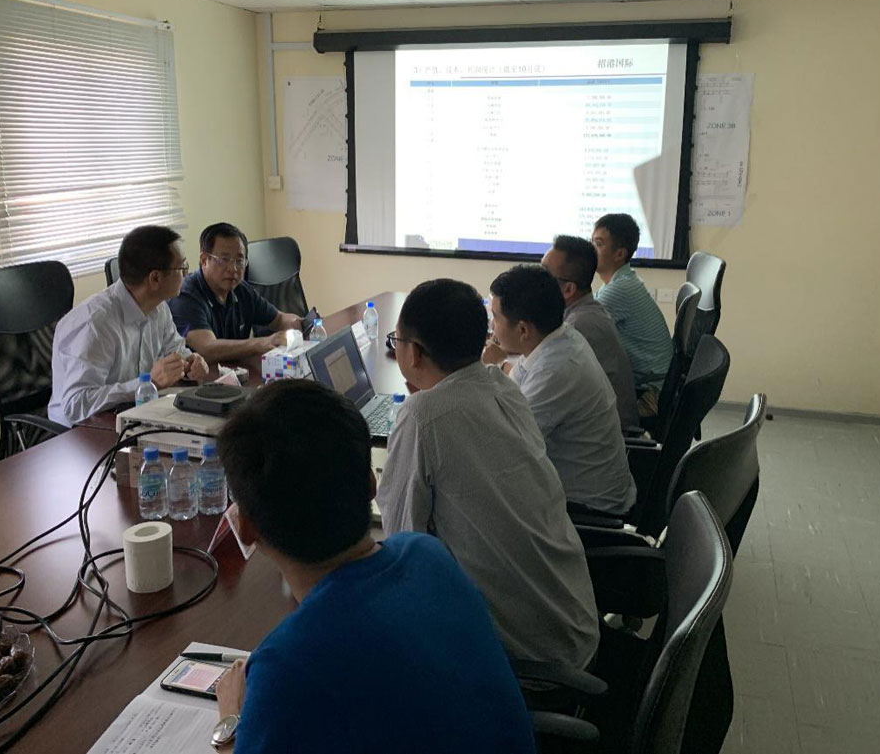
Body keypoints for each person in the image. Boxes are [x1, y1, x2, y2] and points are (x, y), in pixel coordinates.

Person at [212, 380, 535, 754]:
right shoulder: (428, 554)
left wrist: (231, 721)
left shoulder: (287, 667)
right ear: (371, 485)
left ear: (245, 526)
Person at [378, 279, 598, 671]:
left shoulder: (423, 416)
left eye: (397, 340)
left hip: (530, 662)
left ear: (414, 352)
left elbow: (403, 545)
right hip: (572, 622)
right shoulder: (501, 384)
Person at [483, 265, 636, 517]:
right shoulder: (559, 338)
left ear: (523, 330)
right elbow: (515, 385)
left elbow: (505, 449)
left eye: (495, 317)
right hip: (578, 489)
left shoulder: (556, 370)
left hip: (588, 510)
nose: (492, 325)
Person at [48, 225, 208, 426]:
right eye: (181, 267)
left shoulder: (159, 308)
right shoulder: (95, 324)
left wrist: (191, 363)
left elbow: (175, 351)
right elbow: (76, 404)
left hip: (133, 416)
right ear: (155, 278)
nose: (186, 273)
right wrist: (148, 383)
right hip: (79, 432)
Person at [542, 235, 642, 433]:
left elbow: (542, 385)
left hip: (608, 435)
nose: (535, 281)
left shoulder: (578, 326)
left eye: (543, 276)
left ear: (568, 289)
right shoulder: (585, 312)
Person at [168, 223, 301, 364]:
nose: (233, 269)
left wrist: (299, 324)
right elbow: (207, 349)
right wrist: (261, 343)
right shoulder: (185, 296)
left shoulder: (241, 289)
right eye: (224, 260)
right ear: (204, 260)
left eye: (239, 261)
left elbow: (278, 319)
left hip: (237, 372)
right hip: (201, 375)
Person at [591, 213, 673, 416]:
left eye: (598, 244)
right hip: (651, 386)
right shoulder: (622, 281)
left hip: (648, 397)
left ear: (619, 254)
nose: (590, 250)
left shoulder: (619, 290)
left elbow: (573, 328)